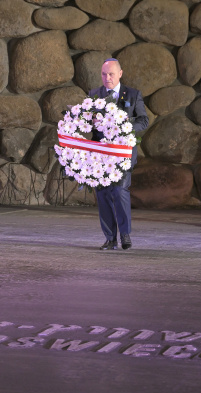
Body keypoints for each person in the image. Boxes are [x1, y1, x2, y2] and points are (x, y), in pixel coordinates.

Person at [89, 58, 149, 250]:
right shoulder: (94, 94)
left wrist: (123, 126)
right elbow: (87, 120)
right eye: (104, 74)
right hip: (101, 155)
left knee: (119, 191)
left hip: (123, 154)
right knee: (103, 194)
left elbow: (143, 121)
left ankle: (125, 234)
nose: (107, 78)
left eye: (111, 74)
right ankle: (110, 238)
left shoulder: (132, 94)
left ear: (120, 74)